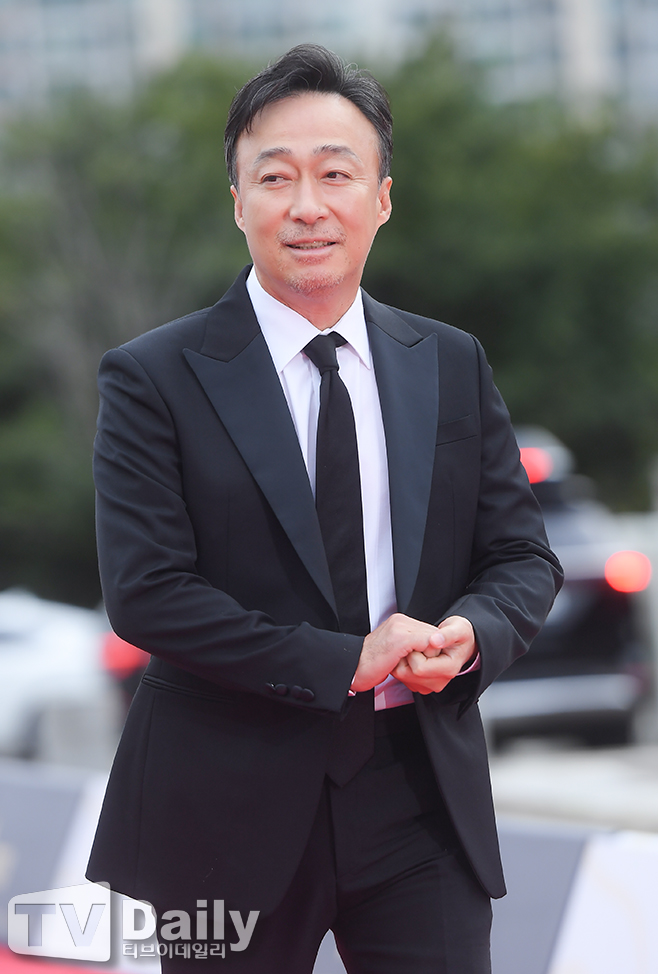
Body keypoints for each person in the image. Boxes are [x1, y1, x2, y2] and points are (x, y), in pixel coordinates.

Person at [87, 44, 562, 974]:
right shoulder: (152, 377)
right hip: (223, 803)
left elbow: (521, 556)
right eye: (276, 177)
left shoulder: (448, 361)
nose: (307, 205)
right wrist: (346, 662)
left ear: (381, 199)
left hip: (418, 792)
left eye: (336, 174)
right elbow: (148, 594)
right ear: (238, 201)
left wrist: (472, 632)